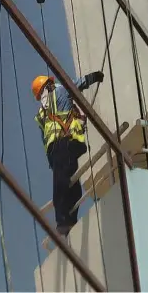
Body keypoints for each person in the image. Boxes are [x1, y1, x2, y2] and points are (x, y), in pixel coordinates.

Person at [32, 71, 104, 236]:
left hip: (58, 148)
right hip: (65, 143)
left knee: (68, 183)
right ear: (49, 85)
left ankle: (66, 220)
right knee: (67, 182)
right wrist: (95, 77)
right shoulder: (60, 91)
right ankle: (65, 220)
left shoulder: (42, 113)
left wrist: (51, 161)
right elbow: (78, 84)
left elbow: (44, 139)